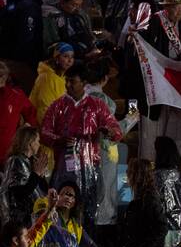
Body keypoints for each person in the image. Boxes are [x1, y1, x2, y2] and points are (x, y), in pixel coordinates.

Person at [41, 63, 122, 226]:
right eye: (67, 81)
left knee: (88, 212)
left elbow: (116, 130)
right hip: (64, 169)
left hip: (90, 168)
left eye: (72, 81)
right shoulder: (57, 106)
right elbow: (44, 133)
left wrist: (109, 132)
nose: (68, 85)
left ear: (84, 83)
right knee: (62, 211)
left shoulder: (97, 106)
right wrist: (59, 140)